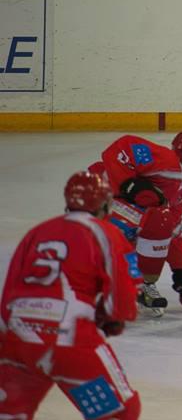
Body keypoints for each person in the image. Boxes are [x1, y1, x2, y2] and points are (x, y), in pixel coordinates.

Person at [0, 171, 142, 420]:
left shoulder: (37, 232)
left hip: (18, 342)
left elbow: (9, 292)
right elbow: (122, 295)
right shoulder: (106, 233)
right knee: (119, 413)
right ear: (104, 203)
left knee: (9, 413)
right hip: (70, 344)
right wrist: (115, 318)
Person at [89, 130, 182, 317]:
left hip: (114, 210)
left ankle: (135, 280)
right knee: (156, 218)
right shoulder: (168, 161)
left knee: (160, 221)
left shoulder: (181, 191)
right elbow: (122, 147)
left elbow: (172, 232)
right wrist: (128, 184)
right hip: (99, 197)